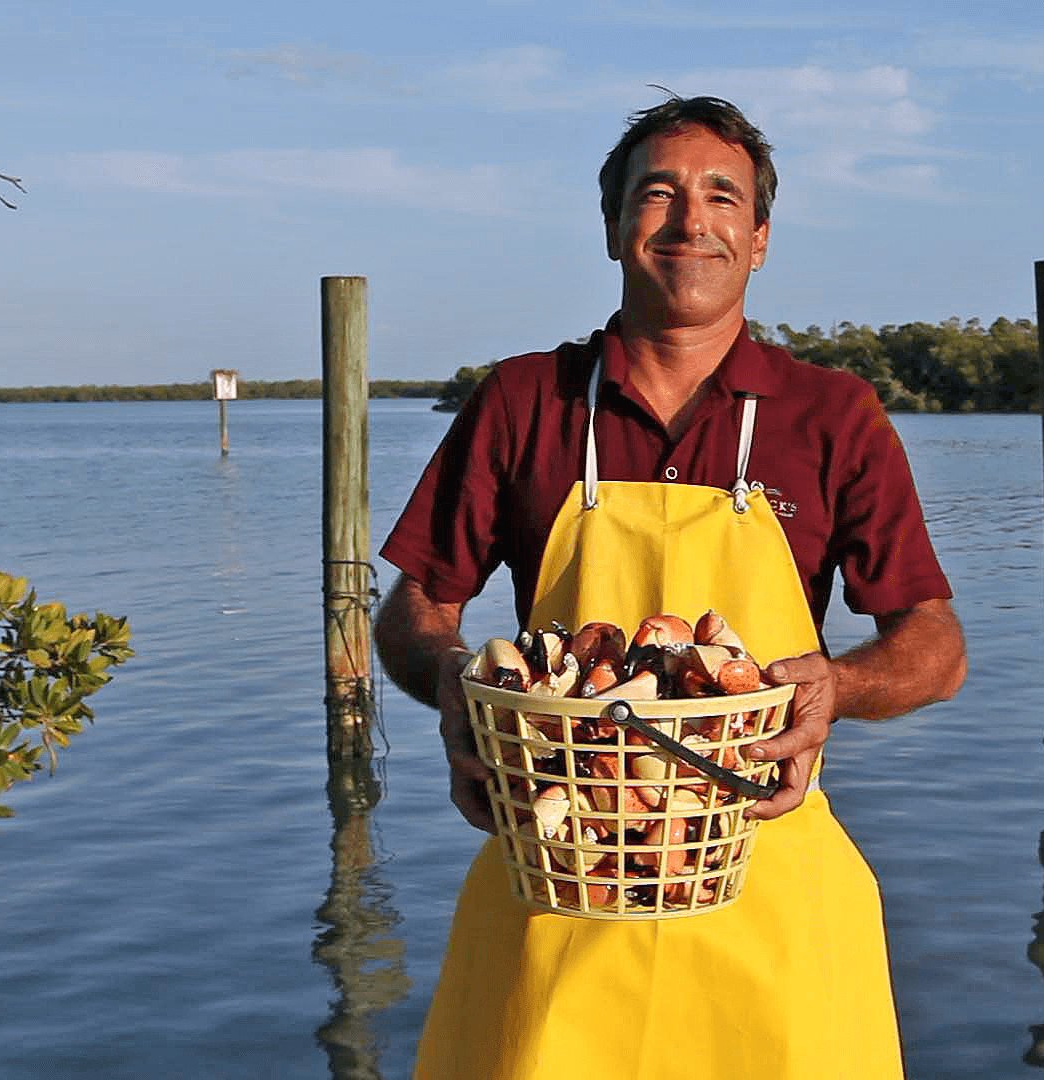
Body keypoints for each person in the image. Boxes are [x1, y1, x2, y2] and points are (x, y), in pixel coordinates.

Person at [374, 93, 967, 1080]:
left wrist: (839, 686)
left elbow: (935, 647)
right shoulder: (524, 399)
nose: (692, 221)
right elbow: (416, 608)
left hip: (770, 876)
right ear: (613, 227)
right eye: (658, 194)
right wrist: (454, 684)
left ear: (760, 239)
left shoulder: (832, 413)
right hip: (560, 874)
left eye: (723, 197)